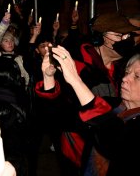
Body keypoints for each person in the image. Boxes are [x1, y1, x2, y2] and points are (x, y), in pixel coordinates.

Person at [43, 45, 140, 175]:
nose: (124, 79)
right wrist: (48, 77)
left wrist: (75, 80)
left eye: (137, 76)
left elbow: (111, 141)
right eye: (127, 72)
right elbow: (60, 118)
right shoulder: (114, 105)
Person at [0, 11, 30, 87]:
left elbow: (26, 78)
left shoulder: (20, 59)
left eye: (11, 40)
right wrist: (3, 24)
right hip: (1, 93)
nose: (10, 43)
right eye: (6, 41)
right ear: (0, 44)